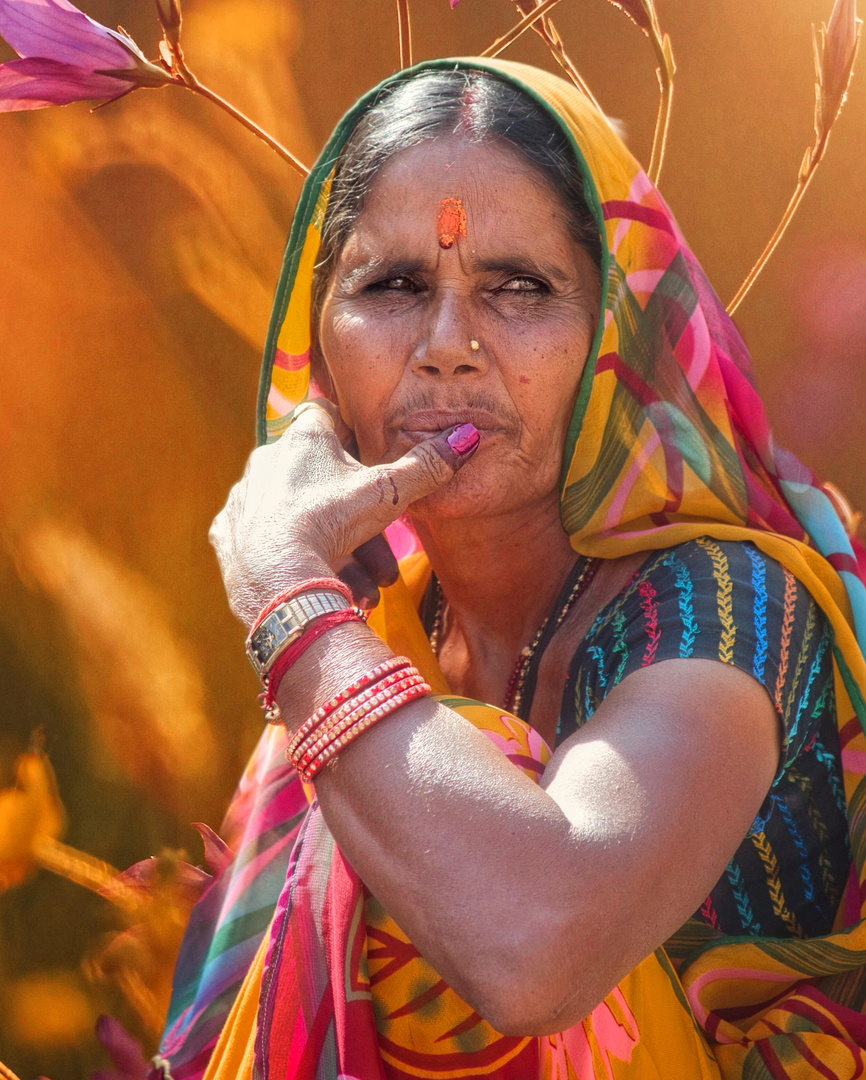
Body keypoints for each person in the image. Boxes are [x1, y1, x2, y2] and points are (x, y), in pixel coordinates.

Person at [154, 59, 866, 1080]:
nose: (449, 348)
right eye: (392, 286)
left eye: (518, 289)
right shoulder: (386, 619)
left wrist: (283, 589)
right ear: (321, 341)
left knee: (444, 799)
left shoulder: (721, 604)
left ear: (609, 333)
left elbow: (534, 945)